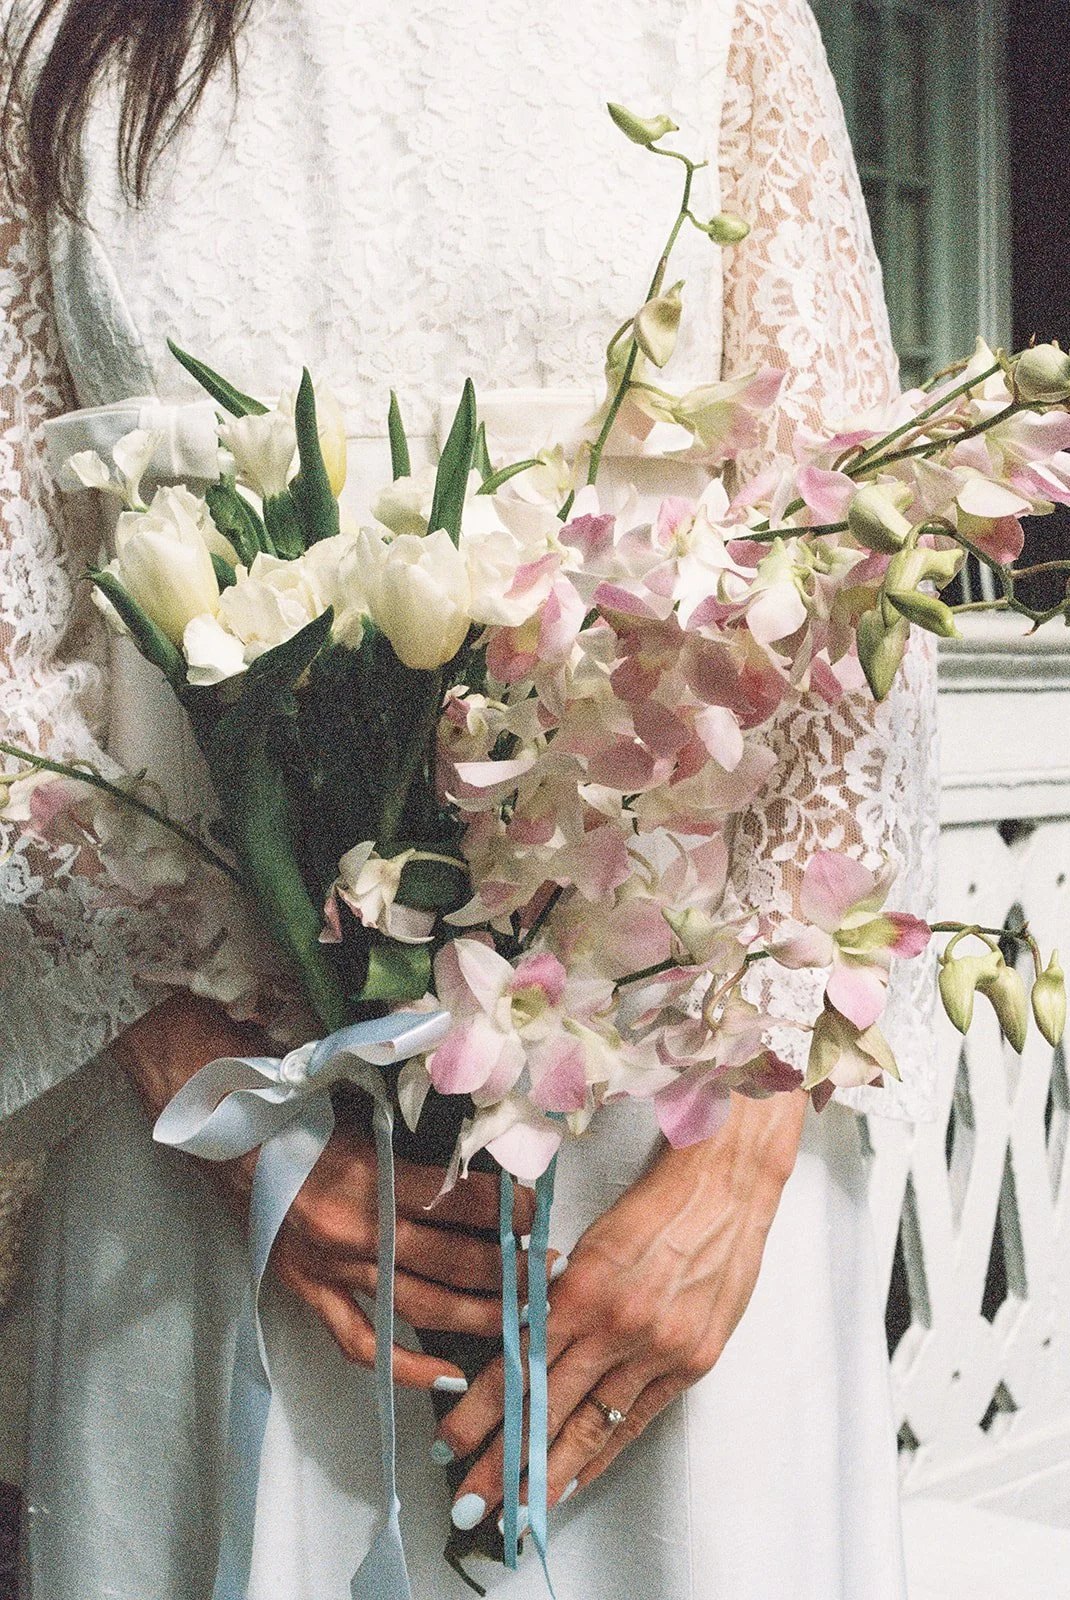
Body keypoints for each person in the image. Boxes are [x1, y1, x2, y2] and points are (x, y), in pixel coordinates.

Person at [0, 0, 941, 1595]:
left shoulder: (716, 18)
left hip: (659, 1139)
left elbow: (843, 541)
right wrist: (203, 1096)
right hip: (213, 1140)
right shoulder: (38, 37)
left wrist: (745, 1143)